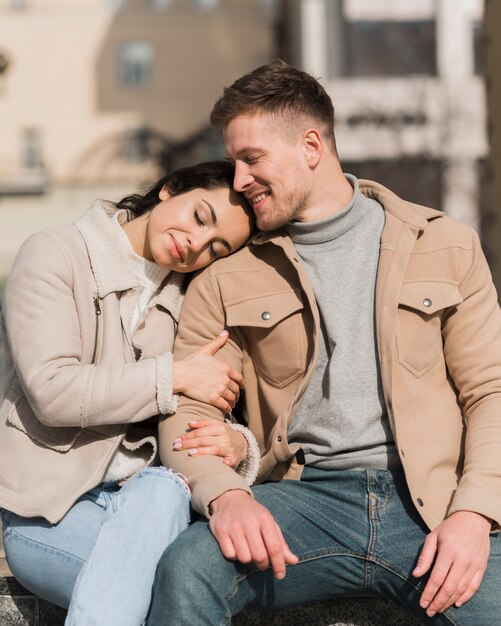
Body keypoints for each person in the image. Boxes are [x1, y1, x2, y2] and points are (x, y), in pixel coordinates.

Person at [147, 60, 501, 626]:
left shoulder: (447, 245)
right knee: (187, 567)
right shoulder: (224, 276)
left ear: (311, 145)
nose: (238, 181)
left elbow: (491, 391)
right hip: (300, 501)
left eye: (252, 159)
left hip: (433, 505)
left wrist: (475, 514)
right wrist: (225, 497)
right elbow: (187, 406)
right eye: (234, 161)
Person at [0, 161, 259, 626]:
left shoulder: (194, 300)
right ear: (170, 188)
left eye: (215, 248)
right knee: (169, 591)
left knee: (162, 487)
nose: (195, 244)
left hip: (151, 509)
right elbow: (53, 391)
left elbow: (216, 406)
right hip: (49, 513)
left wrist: (240, 444)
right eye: (200, 217)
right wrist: (172, 377)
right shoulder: (55, 253)